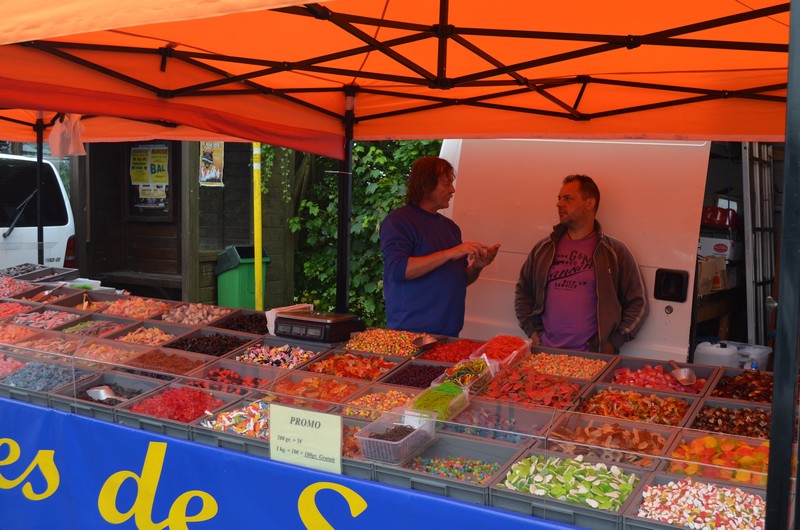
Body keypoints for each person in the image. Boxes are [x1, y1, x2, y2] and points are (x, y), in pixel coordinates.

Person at [514, 174, 648, 354]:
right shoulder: (543, 249)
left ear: (590, 203)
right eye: (559, 198)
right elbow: (523, 292)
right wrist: (533, 333)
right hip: (545, 354)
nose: (559, 204)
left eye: (568, 198)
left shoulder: (615, 252)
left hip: (593, 358)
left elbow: (638, 304)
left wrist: (612, 343)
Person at [380, 156, 500, 336]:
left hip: (448, 334)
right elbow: (398, 270)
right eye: (446, 184)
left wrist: (477, 267)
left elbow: (460, 280)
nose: (452, 190)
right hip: (410, 334)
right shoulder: (399, 221)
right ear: (426, 186)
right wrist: (450, 253)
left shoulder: (451, 228)